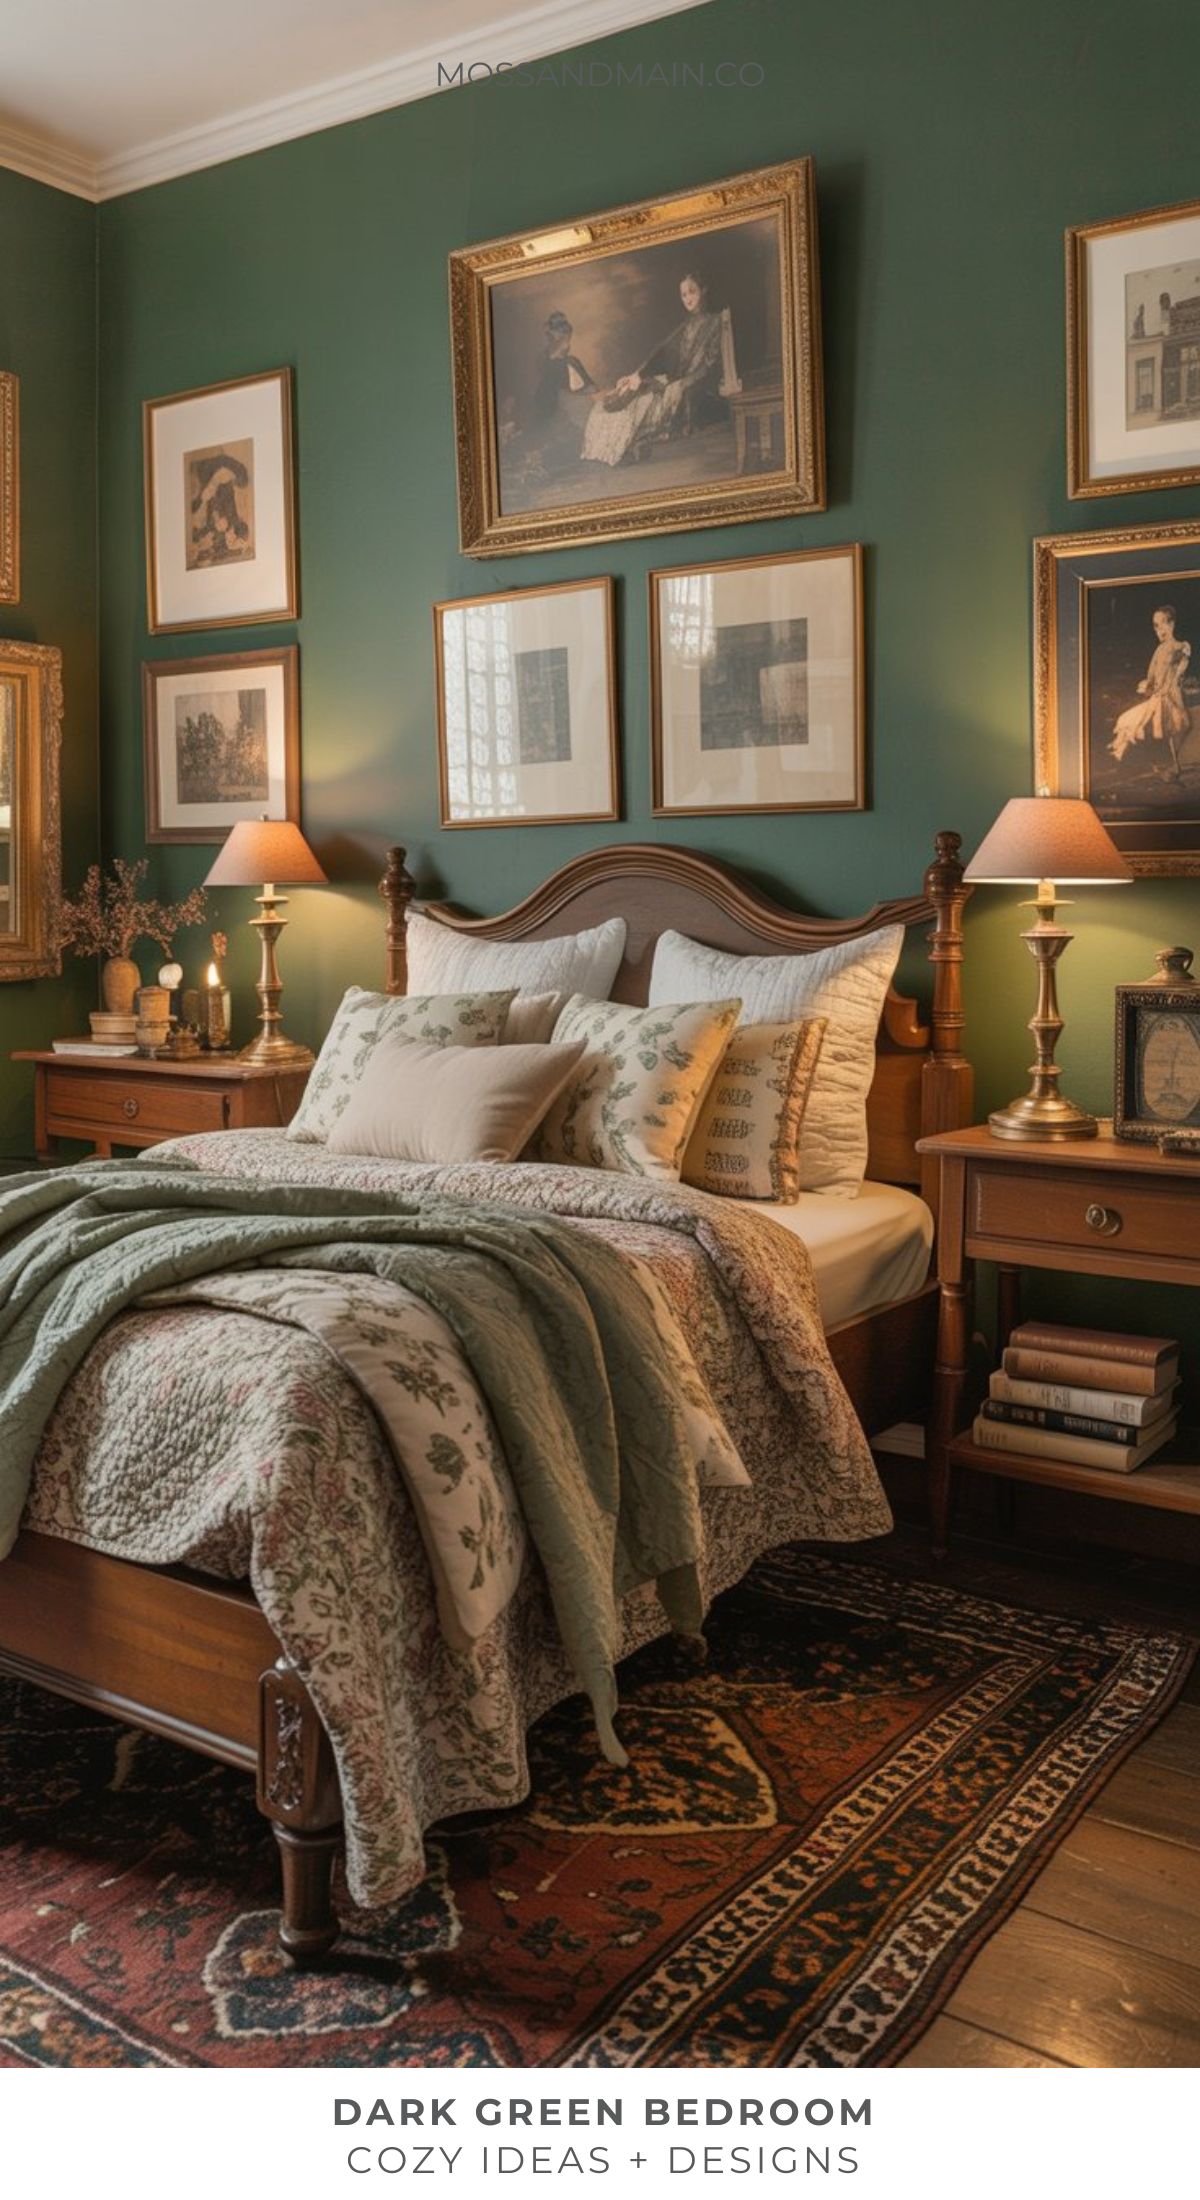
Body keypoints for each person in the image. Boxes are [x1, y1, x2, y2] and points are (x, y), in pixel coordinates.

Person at [582, 269, 725, 466]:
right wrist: (636, 373)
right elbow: (660, 351)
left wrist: (683, 383)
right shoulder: (686, 324)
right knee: (636, 390)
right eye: (683, 295)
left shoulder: (715, 321)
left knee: (654, 396)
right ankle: (618, 446)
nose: (688, 299)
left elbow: (711, 365)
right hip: (678, 379)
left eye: (692, 292)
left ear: (704, 290)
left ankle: (635, 443)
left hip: (699, 384)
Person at [1108, 604, 1193, 778]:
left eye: (1163, 624)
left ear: (1172, 624)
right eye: (1156, 625)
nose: (1160, 629)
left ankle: (1172, 765)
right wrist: (1148, 685)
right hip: (1161, 697)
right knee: (1163, 728)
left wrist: (1178, 674)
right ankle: (1168, 765)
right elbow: (1152, 675)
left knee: (1182, 726)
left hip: (1173, 693)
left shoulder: (1181, 646)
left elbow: (1181, 668)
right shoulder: (1159, 651)